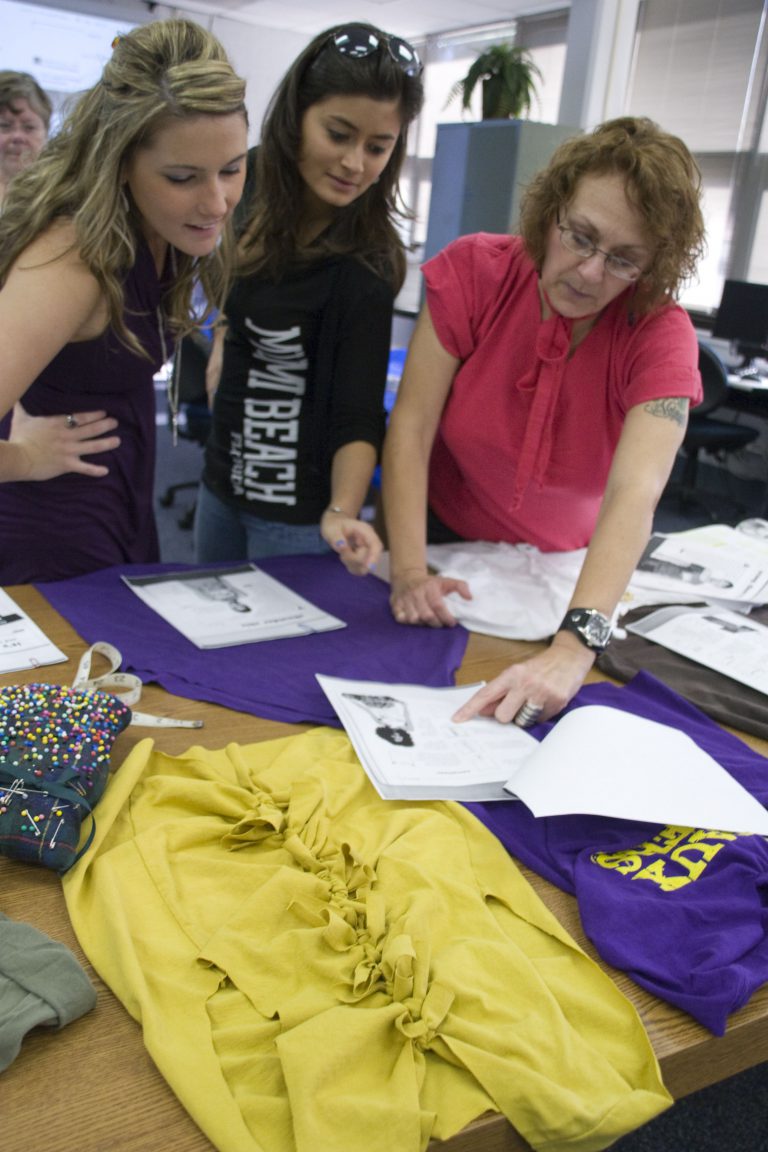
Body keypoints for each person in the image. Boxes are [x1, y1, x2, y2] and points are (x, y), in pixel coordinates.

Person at [382, 116, 706, 727]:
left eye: (623, 260)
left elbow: (636, 491)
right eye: (580, 237)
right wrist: (409, 571)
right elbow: (412, 428)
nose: (589, 273)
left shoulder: (660, 334)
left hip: (568, 571)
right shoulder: (476, 273)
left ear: (654, 265)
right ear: (550, 210)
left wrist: (574, 646)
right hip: (443, 539)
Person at [0, 21, 248, 584]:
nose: (216, 202)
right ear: (120, 163)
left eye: (232, 169)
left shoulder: (160, 230)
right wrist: (24, 458)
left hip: (121, 501)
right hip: (51, 531)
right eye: (183, 177)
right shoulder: (76, 258)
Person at [194, 22, 424, 576]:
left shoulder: (366, 264)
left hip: (294, 515)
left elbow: (358, 413)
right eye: (338, 134)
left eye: (377, 146)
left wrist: (343, 511)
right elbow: (226, 270)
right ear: (298, 114)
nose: (355, 164)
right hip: (220, 481)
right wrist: (225, 327)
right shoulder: (246, 184)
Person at [0, 70, 51, 207]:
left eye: (29, 127)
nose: (17, 137)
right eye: (5, 126)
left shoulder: (60, 197)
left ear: (46, 132)